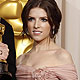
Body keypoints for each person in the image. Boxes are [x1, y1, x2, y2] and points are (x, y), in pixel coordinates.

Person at [0, 0, 78, 79]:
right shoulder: (20, 60)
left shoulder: (61, 56)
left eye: (43, 20)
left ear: (53, 23)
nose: (36, 25)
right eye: (31, 19)